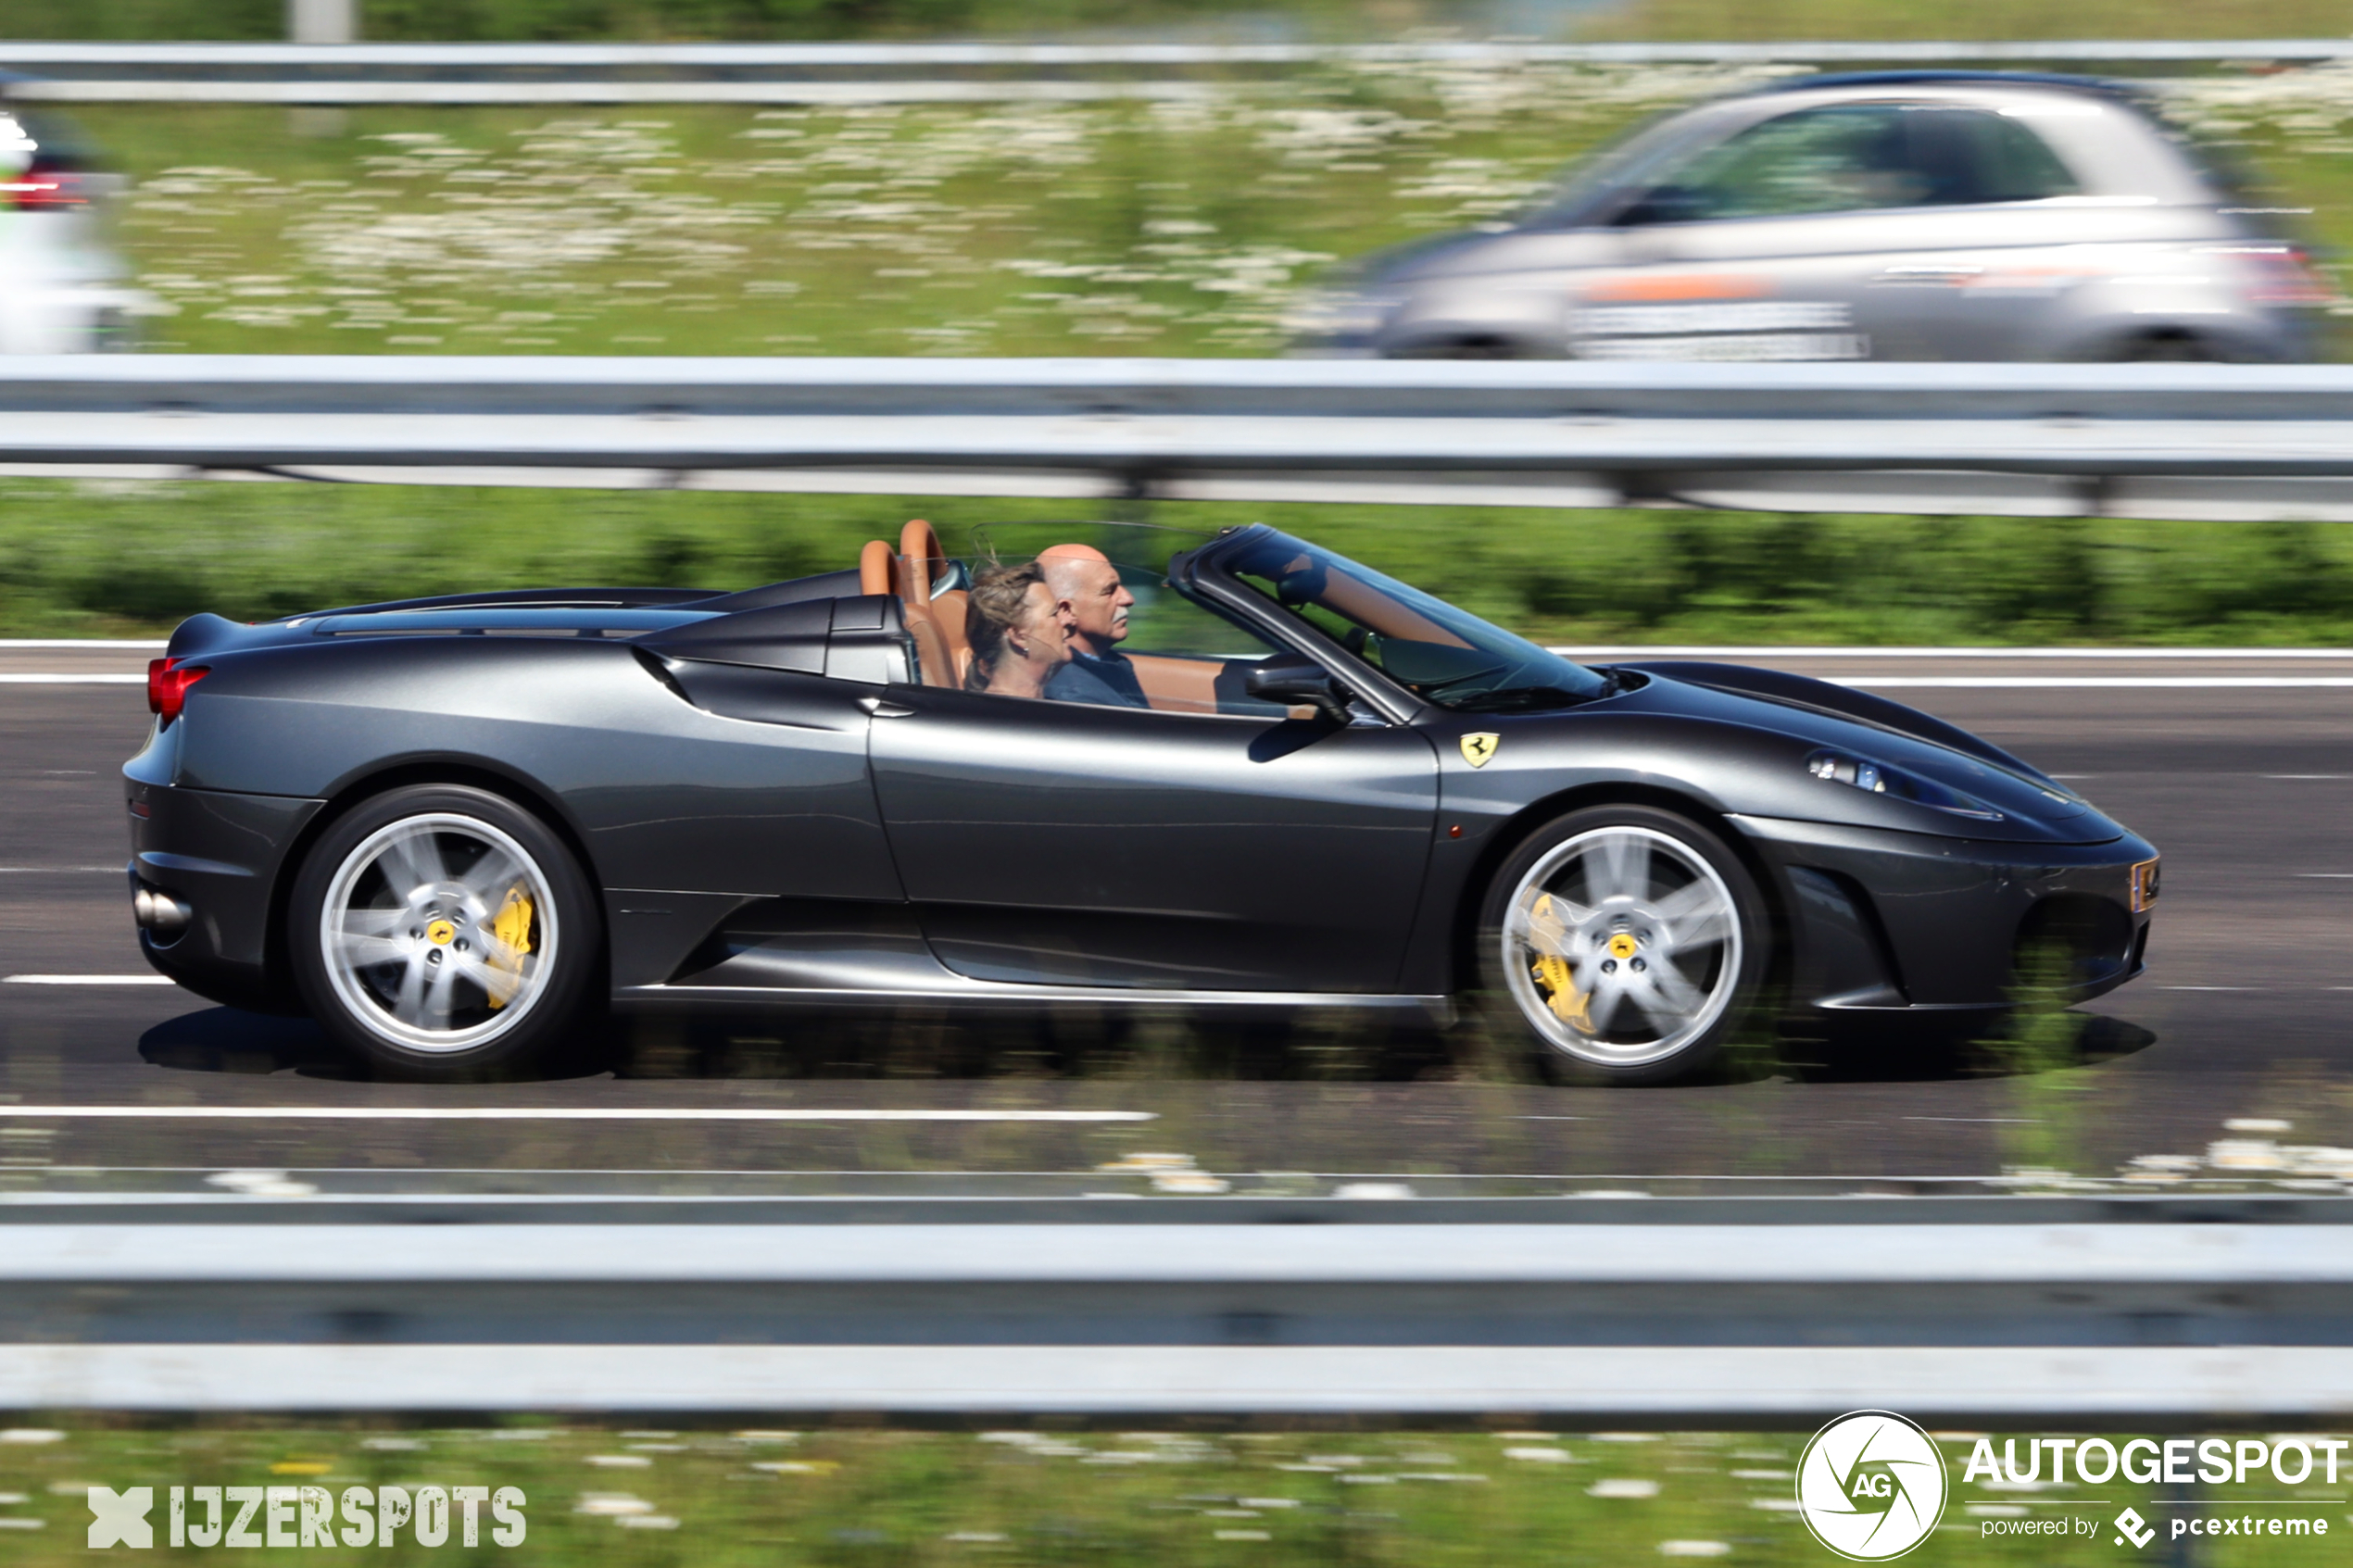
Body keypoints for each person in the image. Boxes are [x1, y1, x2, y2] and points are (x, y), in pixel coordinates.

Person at [1038, 543, 1148, 709]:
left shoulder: (1105, 664)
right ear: (1066, 611)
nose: (1128, 598)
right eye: (1109, 591)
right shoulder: (1074, 698)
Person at [962, 559, 1072, 700]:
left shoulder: (1033, 711)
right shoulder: (997, 717)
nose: (1067, 620)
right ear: (1018, 635)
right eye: (1054, 614)